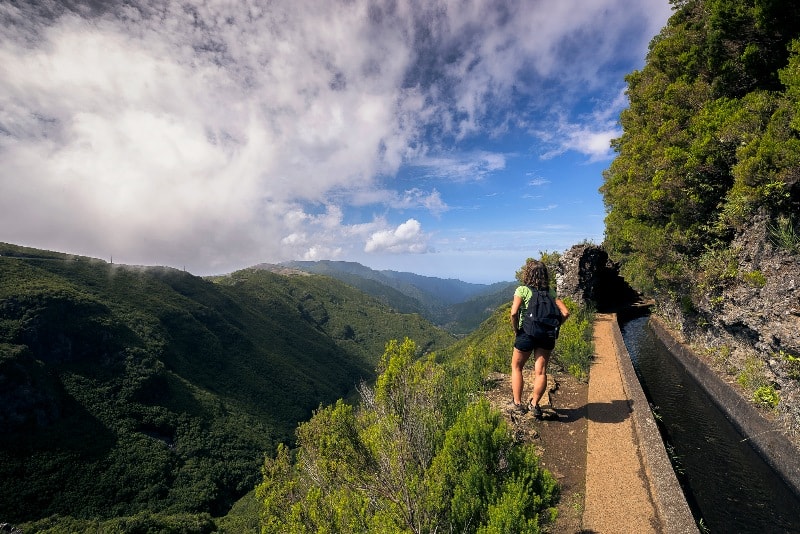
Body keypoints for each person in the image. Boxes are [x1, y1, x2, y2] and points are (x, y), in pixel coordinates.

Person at [509, 259, 569, 418]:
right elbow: (565, 312)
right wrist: (555, 326)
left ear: (528, 273)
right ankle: (534, 405)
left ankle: (517, 403)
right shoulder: (551, 292)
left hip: (526, 334)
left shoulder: (522, 290)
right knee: (541, 372)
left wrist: (517, 330)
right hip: (546, 335)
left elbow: (514, 313)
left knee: (517, 367)